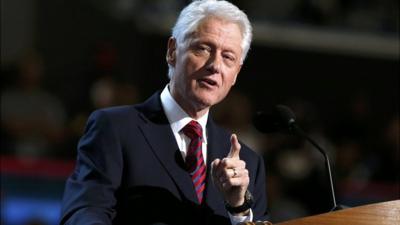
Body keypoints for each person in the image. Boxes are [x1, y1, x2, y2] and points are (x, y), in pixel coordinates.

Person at [60, 1, 268, 224]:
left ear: (236, 73)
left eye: (228, 57)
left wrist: (238, 210)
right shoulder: (115, 128)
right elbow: (85, 212)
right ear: (172, 51)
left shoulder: (247, 163)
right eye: (204, 48)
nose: (215, 65)